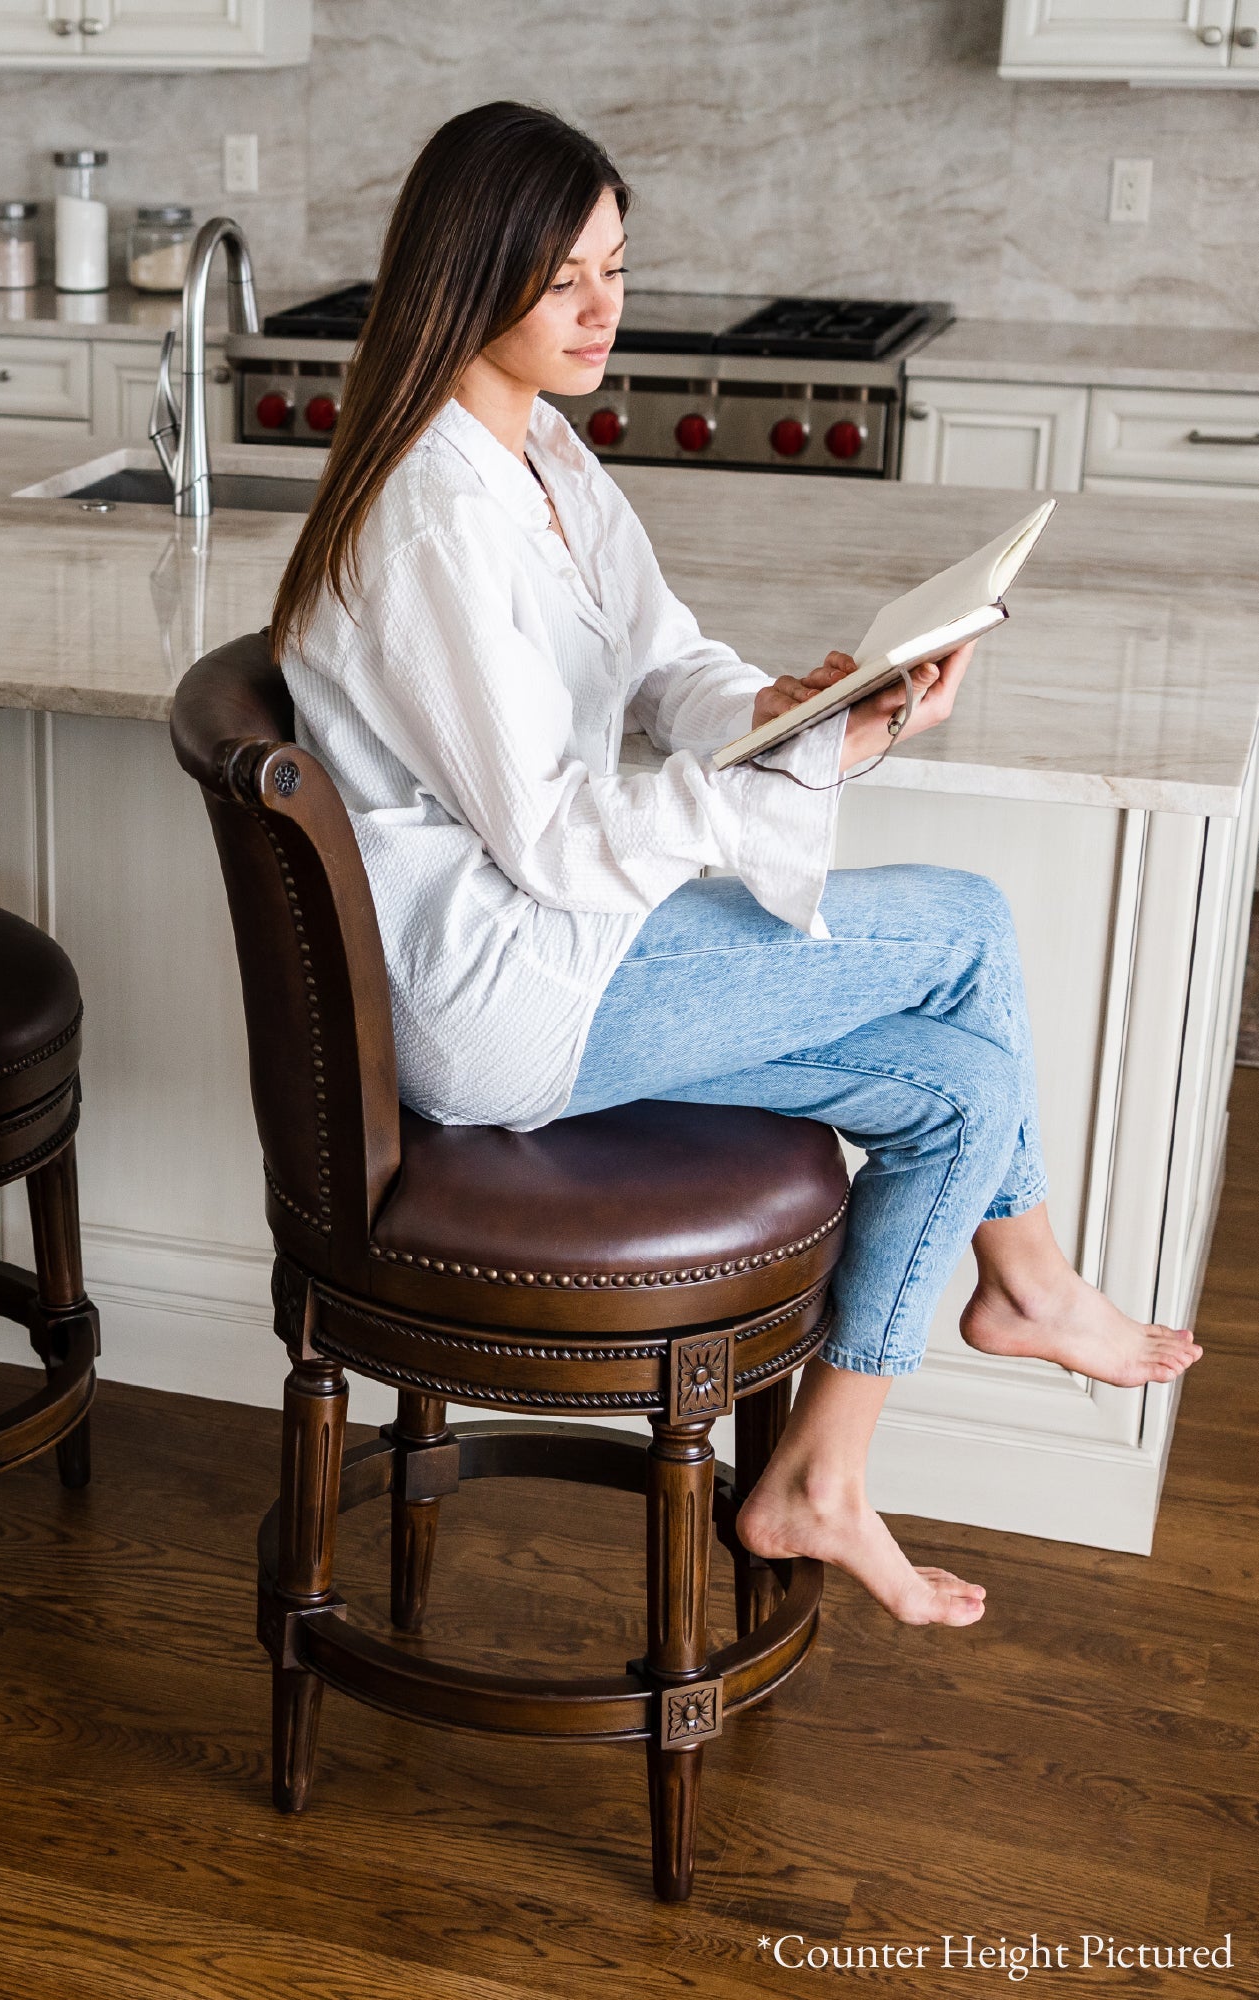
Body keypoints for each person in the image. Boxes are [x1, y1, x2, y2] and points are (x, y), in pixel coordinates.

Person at [274, 101, 1200, 1630]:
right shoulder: (428, 518)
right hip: (503, 991)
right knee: (964, 921)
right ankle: (1027, 1281)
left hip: (574, 936)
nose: (599, 310)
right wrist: (812, 765)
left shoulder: (544, 456)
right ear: (464, 274)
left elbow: (664, 664)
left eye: (616, 269)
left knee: (964, 1090)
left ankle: (815, 1480)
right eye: (559, 277)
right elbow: (555, 830)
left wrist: (786, 707)